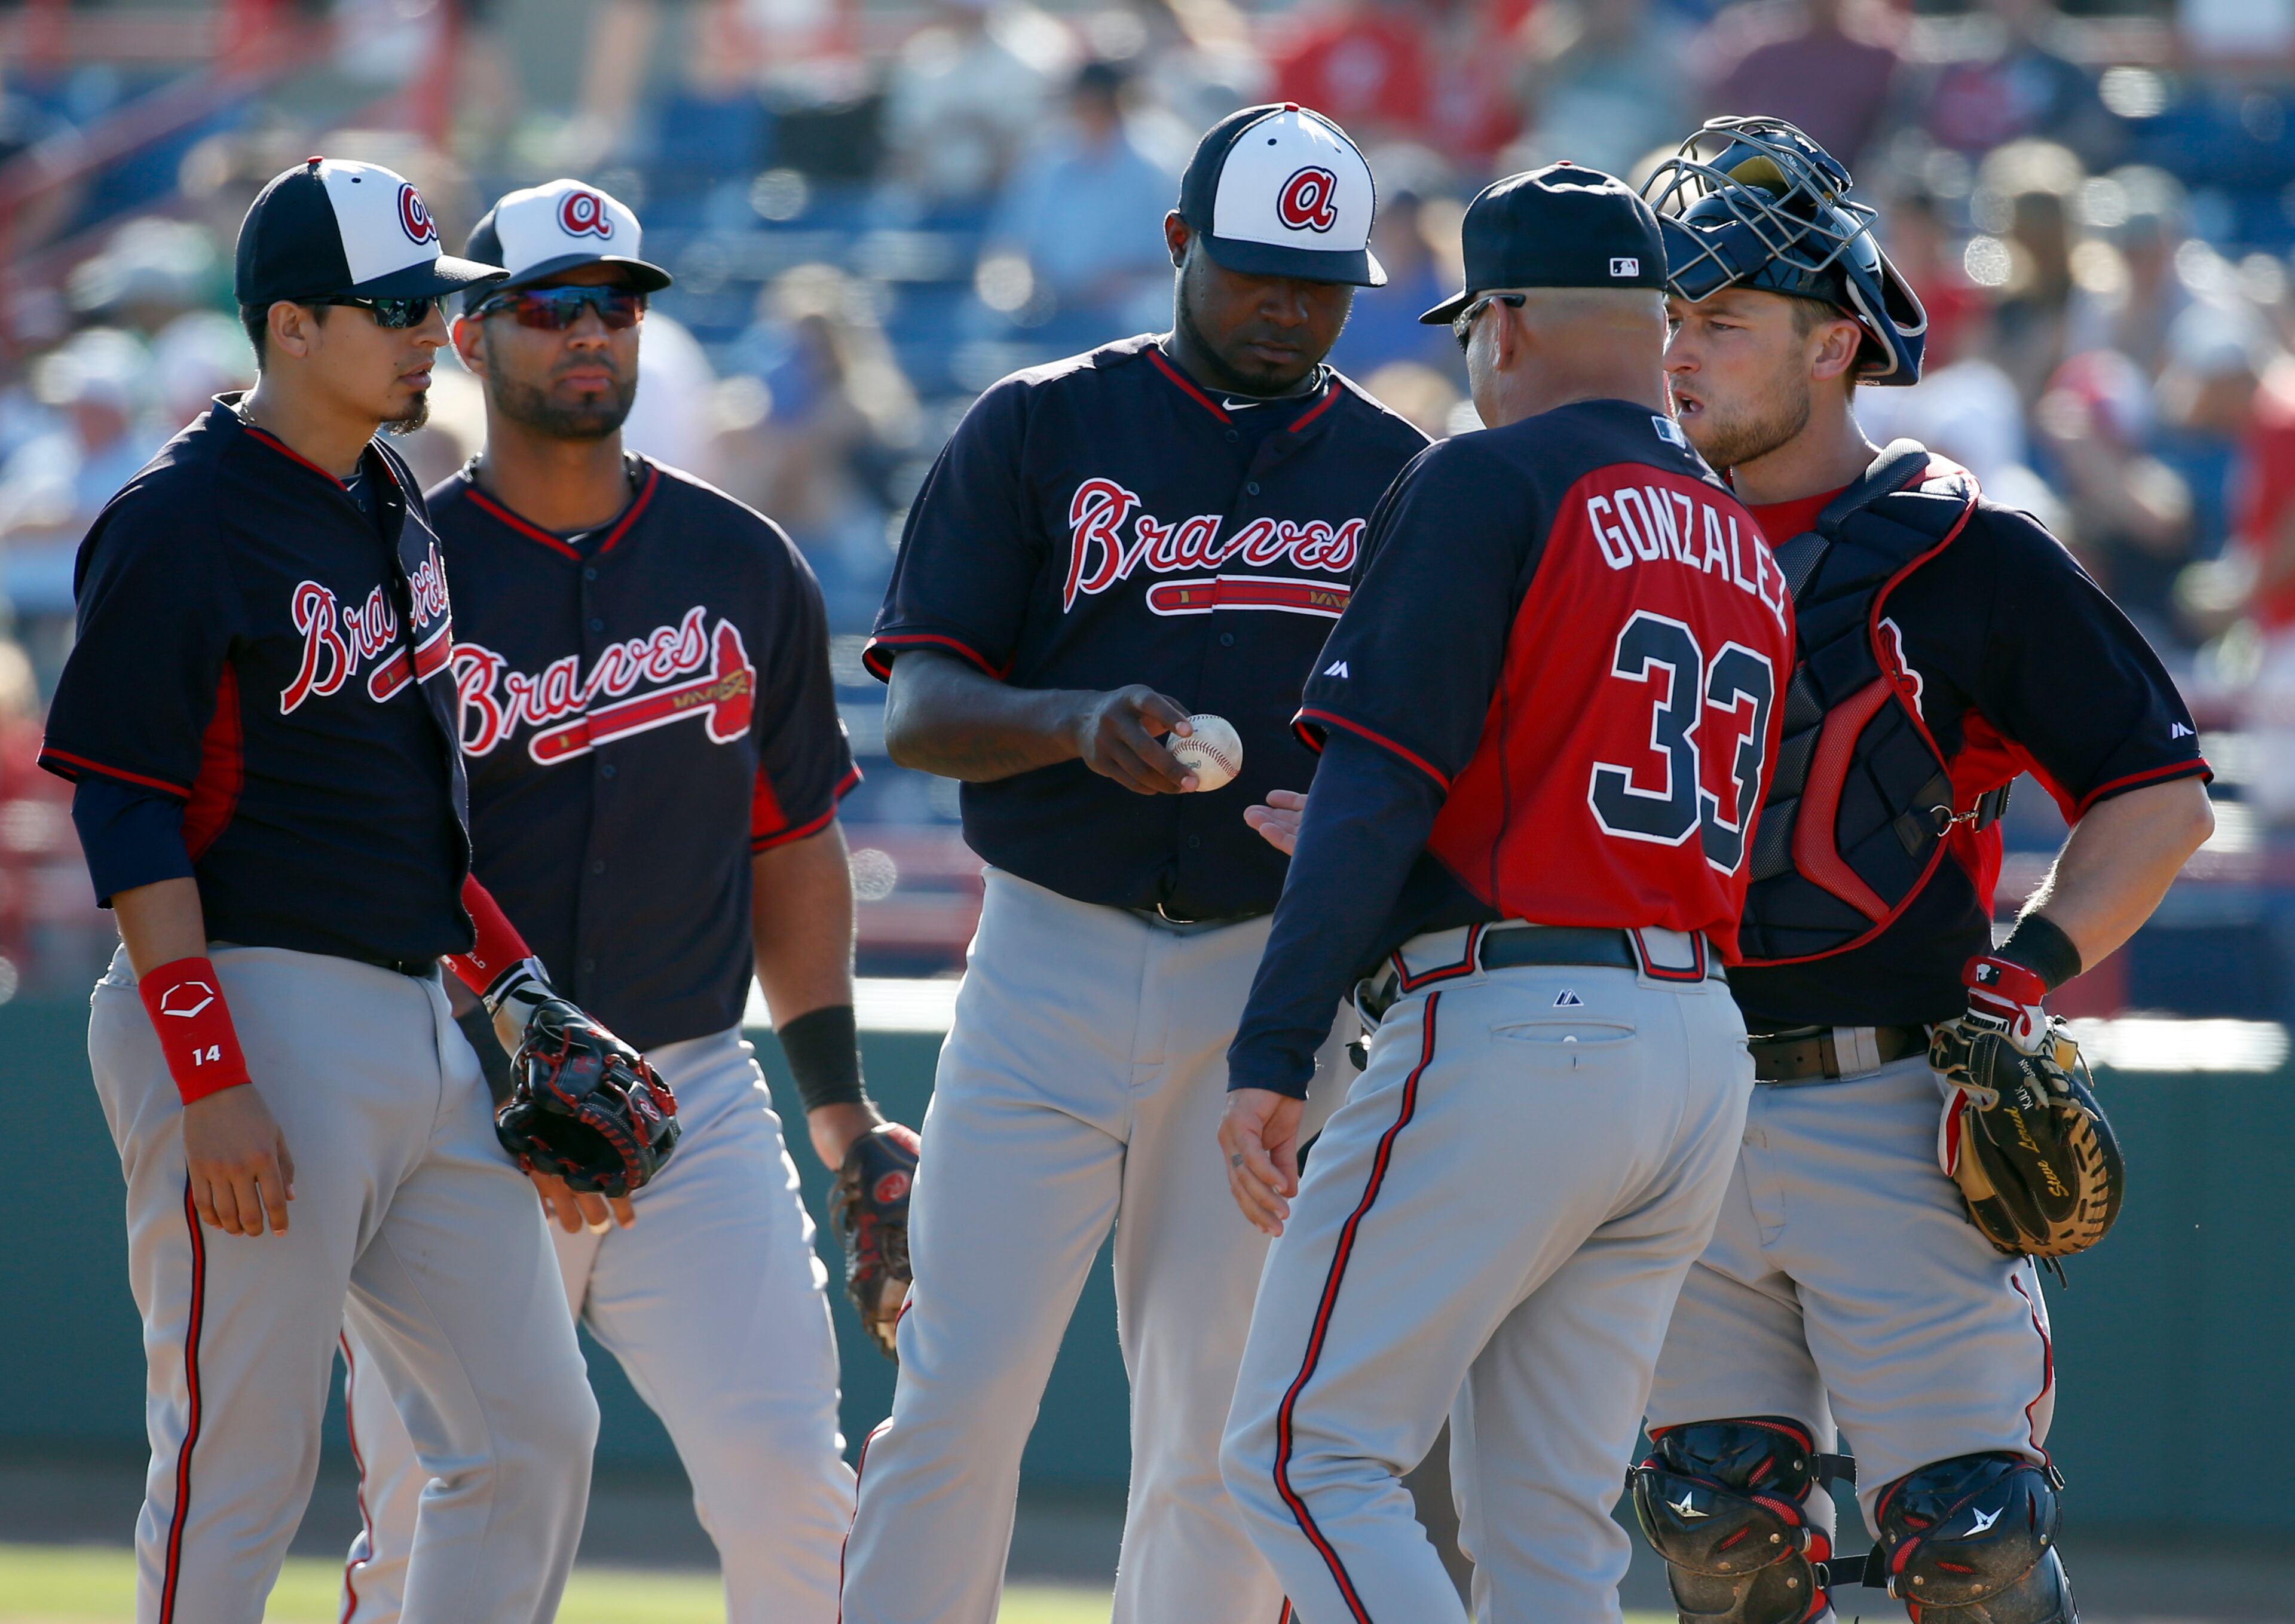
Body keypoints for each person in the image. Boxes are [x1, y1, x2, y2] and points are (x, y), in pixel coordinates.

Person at [38, 157, 647, 1623]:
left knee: (532, 1433)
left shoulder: (391, 498)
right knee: (238, 1464)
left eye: (433, 306)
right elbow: (125, 808)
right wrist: (208, 1071)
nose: (429, 335)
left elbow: (408, 816)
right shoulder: (179, 518)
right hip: (244, 999)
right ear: (289, 325)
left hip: (415, 1018)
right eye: (391, 310)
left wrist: (516, 990)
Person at [842, 104, 1427, 1623]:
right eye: (1254, 273)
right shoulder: (1040, 423)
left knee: (1220, 1426)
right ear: (1177, 246)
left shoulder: (1399, 474)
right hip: (1048, 952)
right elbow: (917, 708)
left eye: (1321, 281)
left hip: (1271, 984)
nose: (1289, 307)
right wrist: (1068, 720)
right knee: (956, 1390)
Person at [1633, 117, 2214, 1624]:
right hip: (1664, 1101)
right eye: (1673, 322)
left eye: (1725, 321)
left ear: (1836, 341)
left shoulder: (1968, 549)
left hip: (1892, 1101)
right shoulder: (1610, 539)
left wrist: (2020, 976)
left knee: (1973, 1545)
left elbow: (2157, 800)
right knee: (1714, 1530)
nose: (1684, 356)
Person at [1217, 161, 1794, 1623]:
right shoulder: (1740, 533)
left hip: (1518, 1029)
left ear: (1509, 326)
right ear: (1660, 325)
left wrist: (1271, 1052)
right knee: (1549, 1533)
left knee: (1302, 1458)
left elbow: (1380, 778)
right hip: (1689, 1048)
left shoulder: (1487, 474)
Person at [331, 178, 888, 1624]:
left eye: (617, 305)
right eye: (551, 305)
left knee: (792, 1486)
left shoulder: (741, 562)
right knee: (427, 1519)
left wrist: (836, 1107)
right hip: (453, 1100)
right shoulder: (397, 574)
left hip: (687, 1090)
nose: (591, 333)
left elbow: (795, 843)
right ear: (468, 337)